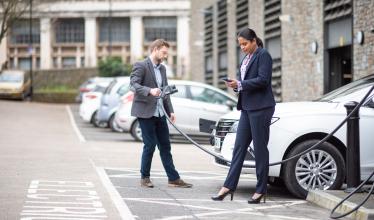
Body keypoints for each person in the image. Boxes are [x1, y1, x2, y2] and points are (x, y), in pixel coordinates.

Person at [211, 28, 275, 204]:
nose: (243, 47)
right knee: (239, 148)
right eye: (240, 45)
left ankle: (261, 190)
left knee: (260, 149)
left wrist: (241, 84)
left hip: (261, 108)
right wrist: (236, 85)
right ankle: (228, 186)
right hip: (247, 108)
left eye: (245, 44)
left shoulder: (263, 55)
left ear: (254, 40)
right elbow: (245, 83)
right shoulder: (246, 58)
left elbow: (263, 80)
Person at [130, 39, 193, 188]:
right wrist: (149, 91)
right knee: (150, 145)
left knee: (165, 146)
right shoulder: (141, 65)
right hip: (146, 112)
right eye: (164, 52)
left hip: (160, 113)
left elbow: (165, 91)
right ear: (156, 49)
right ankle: (145, 177)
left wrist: (170, 110)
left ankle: (173, 178)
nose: (165, 56)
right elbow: (133, 84)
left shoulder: (163, 69)